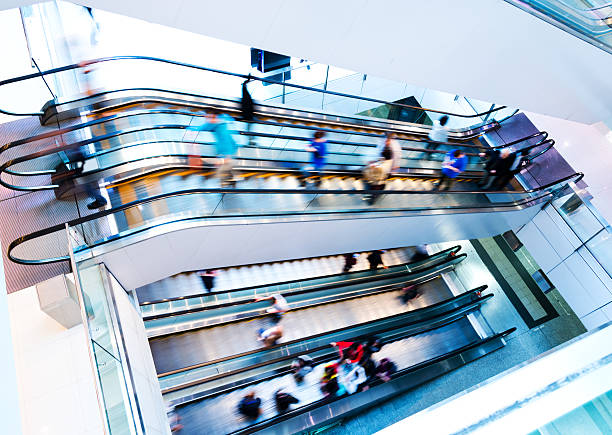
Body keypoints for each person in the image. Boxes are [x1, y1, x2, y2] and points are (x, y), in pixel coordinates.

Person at [188, 110, 239, 187]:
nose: (207, 119)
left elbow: (202, 127)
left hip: (225, 149)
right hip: (230, 147)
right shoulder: (224, 121)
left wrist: (189, 128)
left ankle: (225, 182)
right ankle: (230, 179)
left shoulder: (215, 122)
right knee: (225, 164)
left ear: (213, 116)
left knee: (222, 165)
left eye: (208, 117)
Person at [240, 77, 257, 146]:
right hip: (249, 116)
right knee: (249, 129)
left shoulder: (245, 96)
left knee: (248, 129)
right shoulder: (247, 96)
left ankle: (251, 141)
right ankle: (251, 141)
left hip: (248, 116)